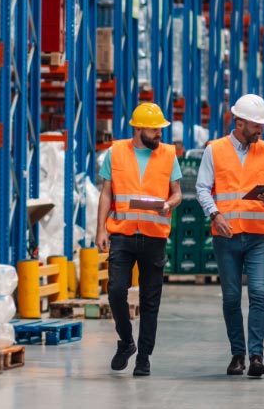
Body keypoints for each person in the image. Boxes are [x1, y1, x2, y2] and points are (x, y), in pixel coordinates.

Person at [195, 93, 264, 378]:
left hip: (259, 236)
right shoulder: (215, 150)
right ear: (240, 122)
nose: (261, 129)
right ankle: (238, 355)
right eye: (256, 124)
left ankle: (256, 356)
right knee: (231, 297)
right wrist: (215, 214)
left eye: (262, 124)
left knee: (258, 294)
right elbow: (201, 188)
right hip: (227, 236)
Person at [95, 102, 183, 377]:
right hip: (122, 233)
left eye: (160, 129)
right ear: (138, 128)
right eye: (154, 130)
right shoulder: (116, 152)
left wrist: (169, 204)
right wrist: (101, 229)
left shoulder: (169, 155)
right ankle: (126, 341)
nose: (159, 134)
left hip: (154, 236)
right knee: (117, 291)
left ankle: (144, 356)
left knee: (150, 301)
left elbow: (177, 193)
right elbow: (106, 193)